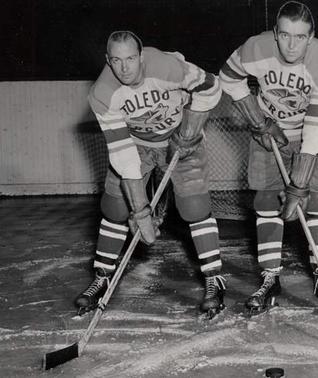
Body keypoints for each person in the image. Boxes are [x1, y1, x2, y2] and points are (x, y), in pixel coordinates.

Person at [75, 31, 226, 319]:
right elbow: (122, 155)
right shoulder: (102, 93)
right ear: (108, 61)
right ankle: (102, 276)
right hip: (137, 146)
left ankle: (214, 278)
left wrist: (191, 131)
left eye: (130, 58)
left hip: (178, 139)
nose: (124, 68)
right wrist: (141, 210)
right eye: (116, 61)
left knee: (195, 208)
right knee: (116, 207)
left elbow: (211, 87)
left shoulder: (167, 66)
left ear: (141, 57)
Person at [219, 1, 318, 315]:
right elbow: (228, 78)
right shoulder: (255, 49)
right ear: (275, 33)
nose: (291, 44)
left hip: (314, 132)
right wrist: (259, 121)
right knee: (265, 203)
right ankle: (270, 275)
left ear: (311, 37)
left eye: (299, 37)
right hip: (269, 133)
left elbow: (315, 130)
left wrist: (298, 186)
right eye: (285, 35)